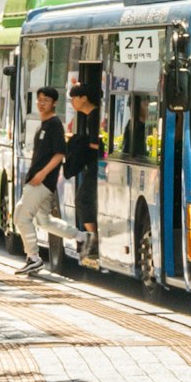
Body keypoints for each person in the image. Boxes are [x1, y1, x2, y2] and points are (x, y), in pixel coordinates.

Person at [16, 86, 71, 274]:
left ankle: (33, 258)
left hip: (41, 181)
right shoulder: (43, 124)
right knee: (44, 221)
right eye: (39, 99)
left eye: (46, 100)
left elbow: (59, 153)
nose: (41, 103)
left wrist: (42, 174)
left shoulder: (55, 124)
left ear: (54, 103)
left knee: (22, 217)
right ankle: (81, 237)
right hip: (37, 180)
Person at [60, 84, 107, 261]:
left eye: (74, 98)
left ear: (84, 98)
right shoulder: (89, 117)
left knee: (83, 199)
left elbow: (98, 146)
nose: (72, 102)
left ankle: (94, 238)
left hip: (97, 167)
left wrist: (81, 144)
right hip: (94, 166)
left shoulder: (94, 117)